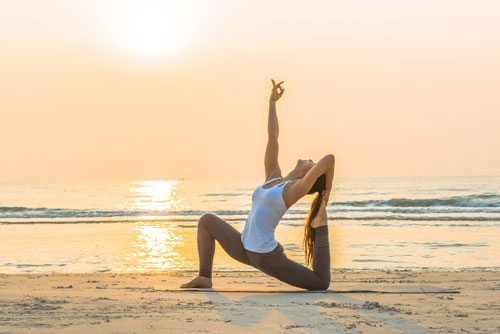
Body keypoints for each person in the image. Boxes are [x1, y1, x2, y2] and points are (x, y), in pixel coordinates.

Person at [180, 79, 335, 290]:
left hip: (266, 256)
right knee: (206, 221)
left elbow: (330, 159)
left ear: (310, 175)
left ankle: (321, 227)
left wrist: (325, 195)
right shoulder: (273, 178)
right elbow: (273, 136)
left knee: (320, 283)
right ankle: (204, 277)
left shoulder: (295, 189)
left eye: (312, 162)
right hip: (244, 248)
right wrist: (272, 102)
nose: (309, 159)